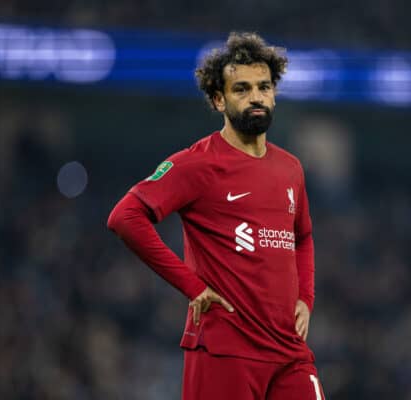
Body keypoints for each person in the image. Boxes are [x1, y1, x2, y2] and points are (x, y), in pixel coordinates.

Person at [107, 31, 325, 400]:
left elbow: (302, 237)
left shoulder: (291, 168)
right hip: (225, 349)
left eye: (264, 86)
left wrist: (306, 297)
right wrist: (192, 286)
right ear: (218, 99)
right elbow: (125, 217)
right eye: (241, 89)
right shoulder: (198, 163)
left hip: (289, 351)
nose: (256, 97)